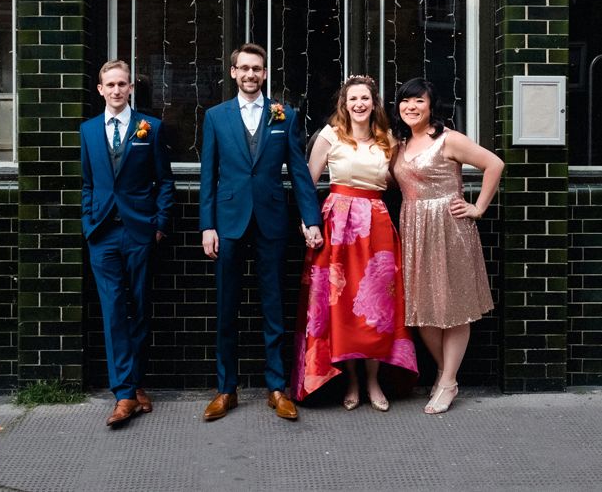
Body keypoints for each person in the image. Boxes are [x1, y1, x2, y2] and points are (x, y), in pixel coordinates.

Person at [200, 43, 323, 422]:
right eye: (244, 68)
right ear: (233, 72)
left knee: (273, 305)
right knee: (227, 308)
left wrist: (311, 217)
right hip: (229, 221)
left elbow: (299, 173)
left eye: (257, 69)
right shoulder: (216, 117)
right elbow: (208, 177)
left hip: (271, 219)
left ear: (265, 74)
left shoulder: (284, 115)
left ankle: (276, 387)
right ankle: (226, 389)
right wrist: (208, 225)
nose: (251, 74)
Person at [291, 75, 418, 411]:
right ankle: (351, 381)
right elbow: (307, 182)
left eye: (365, 99)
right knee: (342, 305)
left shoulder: (387, 139)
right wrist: (309, 223)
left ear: (373, 103)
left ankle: (375, 381)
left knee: (378, 307)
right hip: (337, 224)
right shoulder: (330, 136)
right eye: (353, 100)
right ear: (344, 105)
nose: (359, 104)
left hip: (375, 224)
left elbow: (401, 181)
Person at [391, 77, 504, 415]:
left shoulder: (448, 139)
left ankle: (448, 381)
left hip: (449, 227)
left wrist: (478, 207)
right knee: (422, 307)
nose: (411, 107)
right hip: (413, 228)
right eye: (405, 102)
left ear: (431, 105)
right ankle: (445, 373)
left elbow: (494, 164)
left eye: (419, 102)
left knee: (454, 307)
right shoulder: (399, 144)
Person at [81, 59, 175, 427]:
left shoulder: (149, 128)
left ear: (131, 88)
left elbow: (164, 182)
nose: (117, 90)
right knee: (113, 311)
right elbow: (89, 182)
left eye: (123, 84)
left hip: (139, 232)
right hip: (102, 234)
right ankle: (123, 394)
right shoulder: (88, 131)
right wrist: (89, 220)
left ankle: (135, 385)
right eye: (111, 85)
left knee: (139, 308)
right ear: (100, 89)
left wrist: (159, 225)